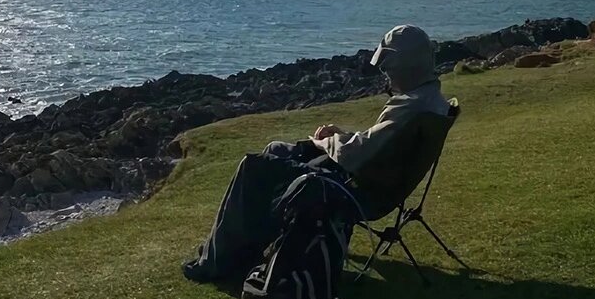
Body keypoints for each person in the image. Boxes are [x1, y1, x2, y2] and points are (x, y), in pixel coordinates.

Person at [182, 24, 451, 283]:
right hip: (370, 182)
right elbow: (378, 146)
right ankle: (243, 247)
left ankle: (217, 261)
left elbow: (357, 154)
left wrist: (326, 142)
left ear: (405, 65)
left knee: (254, 166)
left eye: (388, 67)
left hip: (353, 190)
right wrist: (341, 135)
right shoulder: (430, 99)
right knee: (276, 149)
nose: (385, 74)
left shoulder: (411, 106)